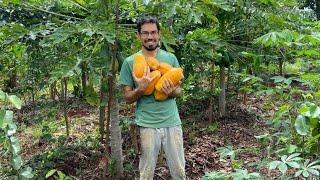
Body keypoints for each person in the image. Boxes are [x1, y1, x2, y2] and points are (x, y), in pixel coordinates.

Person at [119, 15, 186, 180]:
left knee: (179, 171)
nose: (150, 36)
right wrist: (140, 89)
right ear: (138, 35)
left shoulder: (170, 58)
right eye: (145, 33)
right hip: (147, 123)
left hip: (172, 121)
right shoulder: (130, 62)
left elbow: (179, 92)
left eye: (153, 32)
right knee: (146, 174)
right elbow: (127, 97)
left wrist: (170, 90)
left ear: (159, 34)